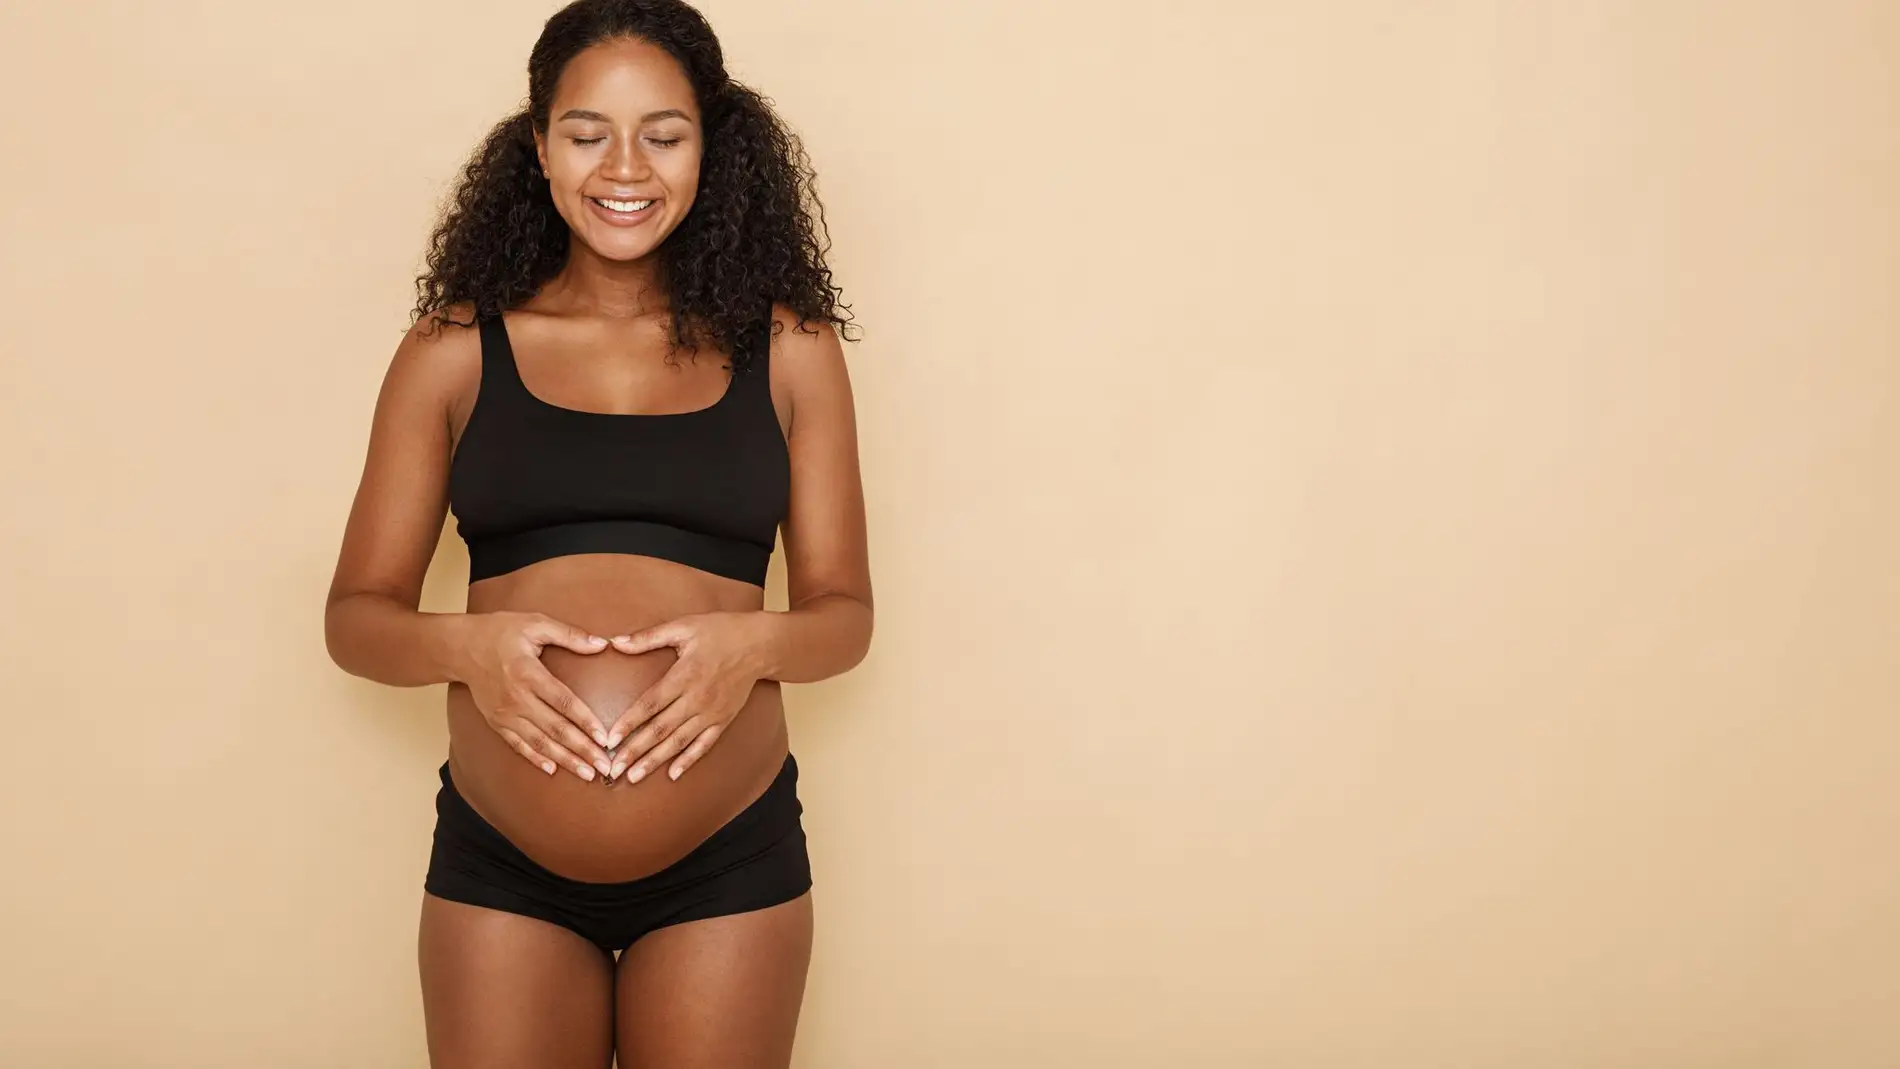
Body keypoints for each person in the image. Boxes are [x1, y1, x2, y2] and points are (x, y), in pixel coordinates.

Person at [322, 1, 871, 1065]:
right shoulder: (452, 351)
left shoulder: (791, 350)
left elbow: (845, 617)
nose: (624, 166)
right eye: (586, 133)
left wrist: (753, 643)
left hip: (729, 862)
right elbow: (355, 619)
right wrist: (463, 648)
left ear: (712, 143)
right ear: (537, 145)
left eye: (663, 132)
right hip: (502, 866)